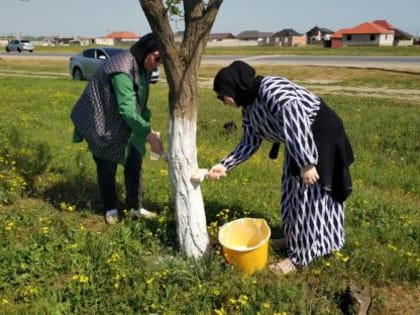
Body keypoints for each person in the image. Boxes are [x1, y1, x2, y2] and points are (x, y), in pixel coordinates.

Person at [207, 60, 354, 272]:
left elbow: (295, 117)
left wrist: (306, 163)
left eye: (222, 95)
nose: (222, 100)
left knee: (310, 198)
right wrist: (225, 165)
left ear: (234, 86)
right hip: (300, 142)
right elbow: (250, 141)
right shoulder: (249, 106)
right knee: (290, 191)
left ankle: (302, 256)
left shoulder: (271, 89)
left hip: (320, 139)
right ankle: (292, 239)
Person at [70, 33, 164, 224]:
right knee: (107, 164)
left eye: (161, 61)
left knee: (134, 160)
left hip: (122, 121)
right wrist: (149, 135)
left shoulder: (142, 67)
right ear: (146, 51)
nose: (157, 64)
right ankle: (110, 207)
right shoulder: (122, 69)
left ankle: (135, 207)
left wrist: (148, 130)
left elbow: (141, 105)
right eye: (157, 58)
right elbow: (127, 110)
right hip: (102, 121)